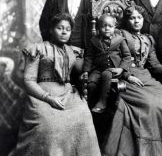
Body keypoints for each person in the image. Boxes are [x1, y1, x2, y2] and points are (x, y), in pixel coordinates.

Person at [12, 13, 101, 156]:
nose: (64, 32)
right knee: (49, 125)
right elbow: (28, 81)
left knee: (84, 116)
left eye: (68, 29)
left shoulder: (72, 51)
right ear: (51, 30)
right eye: (60, 28)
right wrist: (48, 98)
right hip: (41, 95)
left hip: (67, 94)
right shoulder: (38, 49)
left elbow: (85, 67)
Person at [102, 5, 162, 156]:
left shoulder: (148, 39)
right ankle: (146, 150)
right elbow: (112, 60)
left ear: (143, 20)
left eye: (139, 18)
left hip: (146, 77)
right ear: (127, 20)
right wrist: (126, 75)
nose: (136, 21)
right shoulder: (120, 34)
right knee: (150, 105)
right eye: (132, 18)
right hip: (126, 77)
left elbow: (154, 65)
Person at [82, 14, 131, 113]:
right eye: (104, 26)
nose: (107, 28)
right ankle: (90, 106)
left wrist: (121, 68)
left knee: (106, 74)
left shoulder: (120, 40)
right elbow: (89, 56)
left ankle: (102, 102)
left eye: (110, 26)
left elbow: (127, 56)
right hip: (98, 68)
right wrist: (86, 71)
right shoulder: (94, 41)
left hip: (114, 69)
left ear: (114, 27)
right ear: (99, 27)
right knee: (91, 83)